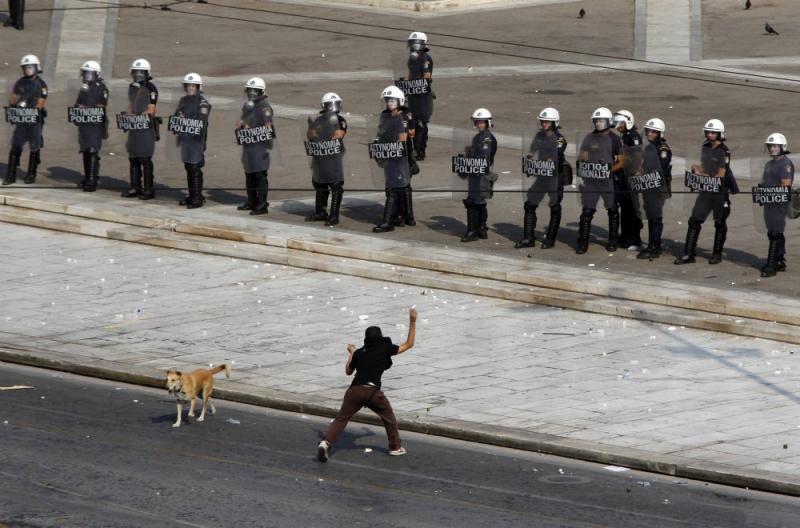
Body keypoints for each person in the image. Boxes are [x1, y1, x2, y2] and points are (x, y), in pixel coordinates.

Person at [317, 307, 418, 462]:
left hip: (354, 391)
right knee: (389, 418)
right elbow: (409, 344)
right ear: (380, 336)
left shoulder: (360, 352)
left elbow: (348, 371)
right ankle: (395, 447)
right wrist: (412, 321)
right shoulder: (385, 347)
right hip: (373, 392)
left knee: (341, 419)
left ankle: (325, 442)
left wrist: (352, 353)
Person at [674, 119, 739, 265]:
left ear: (720, 134)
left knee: (720, 222)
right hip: (706, 190)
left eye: (713, 133)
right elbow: (706, 166)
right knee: (694, 220)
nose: (710, 135)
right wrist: (697, 168)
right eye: (708, 132)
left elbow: (720, 174)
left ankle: (717, 254)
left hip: (719, 191)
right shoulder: (705, 147)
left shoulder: (724, 151)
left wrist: (703, 175)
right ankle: (688, 253)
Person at [516, 107, 567, 249]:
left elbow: (556, 154)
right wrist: (530, 161)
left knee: (554, 206)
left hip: (555, 177)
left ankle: (550, 239)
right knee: (530, 204)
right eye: (543, 121)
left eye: (547, 122)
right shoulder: (539, 136)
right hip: (542, 175)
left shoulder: (560, 139)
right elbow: (532, 151)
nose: (544, 124)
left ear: (554, 123)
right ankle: (528, 238)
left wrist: (548, 160)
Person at [575, 107, 623, 254]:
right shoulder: (589, 137)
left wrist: (608, 170)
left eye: (601, 121)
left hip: (607, 180)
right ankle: (583, 242)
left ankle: (613, 241)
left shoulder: (615, 139)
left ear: (608, 121)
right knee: (587, 211)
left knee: (612, 210)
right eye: (596, 121)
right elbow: (582, 156)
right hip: (591, 181)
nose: (598, 123)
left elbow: (621, 161)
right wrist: (584, 164)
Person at [372, 86, 412, 233]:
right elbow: (380, 132)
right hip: (388, 156)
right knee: (397, 187)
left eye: (392, 100)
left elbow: (402, 139)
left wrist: (389, 148)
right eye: (388, 100)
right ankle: (401, 216)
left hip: (398, 157)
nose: (389, 103)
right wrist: (378, 146)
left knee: (393, 189)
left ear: (399, 101)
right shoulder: (385, 116)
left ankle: (388, 221)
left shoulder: (401, 117)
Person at [3, 54, 46, 186]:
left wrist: (30, 111)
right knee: (16, 145)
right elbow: (13, 97)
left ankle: (31, 174)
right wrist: (14, 106)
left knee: (34, 146)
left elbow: (41, 103)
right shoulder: (20, 82)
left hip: (34, 119)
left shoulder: (41, 84)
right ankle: (10, 175)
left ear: (36, 68)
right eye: (26, 67)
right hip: (21, 118)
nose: (28, 70)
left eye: (30, 67)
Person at [305, 92, 347, 226]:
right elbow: (311, 136)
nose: (334, 107)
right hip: (320, 156)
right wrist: (311, 126)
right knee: (320, 184)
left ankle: (334, 216)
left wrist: (327, 127)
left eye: (336, 104)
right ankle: (320, 212)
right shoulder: (318, 120)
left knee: (336, 186)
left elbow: (339, 135)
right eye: (331, 104)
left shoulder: (340, 120)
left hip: (334, 157)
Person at [757, 133, 794, 277]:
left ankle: (771, 266)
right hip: (769, 202)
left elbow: (786, 185)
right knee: (773, 232)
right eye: (770, 146)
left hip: (779, 203)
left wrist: (770, 192)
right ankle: (779, 260)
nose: (772, 149)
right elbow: (765, 182)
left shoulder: (786, 164)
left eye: (775, 146)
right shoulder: (769, 164)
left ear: (782, 147)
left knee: (775, 233)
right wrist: (760, 191)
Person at [458, 108, 498, 242]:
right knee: (480, 202)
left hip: (481, 174)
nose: (479, 124)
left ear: (487, 123)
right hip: (475, 172)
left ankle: (472, 231)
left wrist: (470, 157)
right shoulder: (478, 137)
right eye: (477, 122)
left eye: (481, 122)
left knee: (473, 202)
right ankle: (481, 228)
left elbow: (484, 158)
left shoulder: (487, 139)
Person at [236, 77, 274, 215]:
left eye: (254, 91)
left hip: (260, 146)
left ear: (261, 92)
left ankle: (262, 204)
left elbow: (268, 126)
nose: (251, 93)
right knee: (249, 173)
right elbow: (242, 121)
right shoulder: (247, 106)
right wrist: (241, 124)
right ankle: (251, 201)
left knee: (260, 175)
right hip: (248, 145)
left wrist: (251, 128)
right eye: (250, 90)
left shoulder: (264, 107)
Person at [635, 118, 672, 260]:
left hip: (658, 187)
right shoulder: (650, 147)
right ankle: (654, 244)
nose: (650, 133)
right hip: (648, 185)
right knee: (651, 216)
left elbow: (661, 168)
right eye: (648, 131)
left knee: (655, 217)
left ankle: (654, 247)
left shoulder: (663, 149)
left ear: (660, 133)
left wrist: (644, 172)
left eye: (653, 131)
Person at [121, 58, 158, 200]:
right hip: (134, 126)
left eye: (141, 72)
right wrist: (127, 116)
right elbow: (131, 105)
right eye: (136, 72)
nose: (138, 75)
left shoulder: (151, 88)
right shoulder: (132, 87)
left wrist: (137, 116)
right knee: (133, 157)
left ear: (147, 73)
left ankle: (148, 189)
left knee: (145, 158)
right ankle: (135, 187)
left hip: (146, 127)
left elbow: (151, 110)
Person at [173, 73, 211, 209]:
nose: (190, 88)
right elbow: (177, 114)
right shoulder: (183, 100)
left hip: (196, 139)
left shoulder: (203, 103)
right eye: (188, 86)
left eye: (193, 86)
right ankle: (192, 195)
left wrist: (186, 119)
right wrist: (178, 117)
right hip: (185, 138)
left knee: (195, 167)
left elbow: (202, 120)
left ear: (198, 87)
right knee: (188, 167)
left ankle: (197, 198)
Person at [71, 61, 108, 192]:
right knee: (86, 149)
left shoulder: (101, 87)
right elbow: (78, 102)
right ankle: (88, 177)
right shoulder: (84, 87)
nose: (86, 76)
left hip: (95, 123)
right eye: (85, 73)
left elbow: (101, 105)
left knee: (92, 149)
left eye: (89, 73)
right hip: (84, 122)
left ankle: (92, 180)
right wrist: (77, 111)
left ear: (96, 74)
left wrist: (85, 108)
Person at [613, 110, 644, 250]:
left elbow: (636, 158)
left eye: (620, 123)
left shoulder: (633, 137)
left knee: (633, 209)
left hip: (630, 178)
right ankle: (625, 235)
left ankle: (635, 238)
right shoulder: (625, 136)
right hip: (623, 178)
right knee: (625, 208)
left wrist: (623, 162)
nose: (618, 126)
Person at [405, 31, 433, 161]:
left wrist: (417, 84)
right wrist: (404, 84)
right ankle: (413, 149)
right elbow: (411, 74)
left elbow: (427, 76)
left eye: (416, 44)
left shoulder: (425, 58)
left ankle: (420, 150)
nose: (413, 47)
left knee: (421, 123)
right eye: (412, 44)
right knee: (412, 120)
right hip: (412, 93)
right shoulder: (412, 59)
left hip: (422, 94)